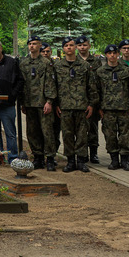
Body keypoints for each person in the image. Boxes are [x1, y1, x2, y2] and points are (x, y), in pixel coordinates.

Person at [54, 36, 99, 173]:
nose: (69, 47)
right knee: (67, 135)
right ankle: (70, 161)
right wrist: (56, 104)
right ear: (63, 49)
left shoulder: (85, 66)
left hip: (82, 106)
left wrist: (91, 104)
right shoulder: (58, 66)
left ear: (75, 47)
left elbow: (91, 87)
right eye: (66, 45)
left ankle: (81, 161)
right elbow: (53, 86)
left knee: (82, 135)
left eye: (71, 45)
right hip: (65, 107)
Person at [96, 44, 129, 170]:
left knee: (125, 136)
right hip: (107, 109)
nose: (112, 55)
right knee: (110, 136)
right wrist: (99, 107)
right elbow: (96, 91)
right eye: (110, 53)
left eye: (114, 53)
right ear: (106, 55)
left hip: (124, 109)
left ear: (118, 54)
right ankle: (114, 159)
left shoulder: (126, 71)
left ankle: (125, 160)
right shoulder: (100, 72)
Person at [20, 35, 58, 170]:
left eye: (35, 44)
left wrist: (49, 101)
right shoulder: (24, 63)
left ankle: (50, 159)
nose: (32, 46)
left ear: (40, 45)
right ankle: (38, 157)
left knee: (47, 131)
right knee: (32, 132)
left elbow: (50, 83)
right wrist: (22, 103)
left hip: (43, 103)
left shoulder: (46, 63)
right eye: (30, 44)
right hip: (29, 103)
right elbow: (22, 84)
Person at [77, 35, 104, 164]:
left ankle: (93, 153)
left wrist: (97, 102)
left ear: (89, 46)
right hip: (77, 100)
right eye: (80, 45)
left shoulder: (96, 62)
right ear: (77, 47)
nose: (82, 47)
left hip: (93, 100)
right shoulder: (73, 60)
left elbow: (100, 82)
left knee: (93, 128)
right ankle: (81, 154)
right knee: (79, 129)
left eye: (85, 45)